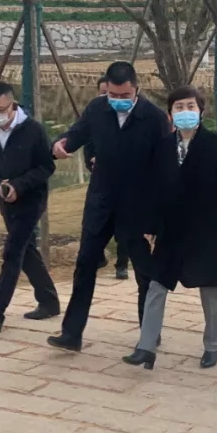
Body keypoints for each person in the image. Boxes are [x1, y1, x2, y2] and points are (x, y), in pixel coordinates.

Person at [47, 61, 169, 352]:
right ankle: (71, 334)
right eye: (113, 95)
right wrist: (60, 145)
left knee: (144, 273)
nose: (118, 100)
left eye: (124, 95)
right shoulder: (97, 109)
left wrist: (157, 219)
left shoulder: (153, 118)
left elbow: (165, 169)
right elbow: (76, 134)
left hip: (137, 208)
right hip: (101, 203)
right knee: (85, 265)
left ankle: (149, 333)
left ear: (136, 89)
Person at [124, 86, 217, 370]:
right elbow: (153, 189)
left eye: (190, 106)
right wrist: (151, 225)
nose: (185, 112)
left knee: (210, 290)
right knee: (156, 286)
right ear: (170, 114)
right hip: (171, 230)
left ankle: (212, 346)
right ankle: (146, 346)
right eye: (179, 107)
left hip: (206, 230)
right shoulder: (162, 147)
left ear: (201, 111)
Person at [0, 82, 60, 333]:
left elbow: (46, 167)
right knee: (25, 249)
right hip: (5, 200)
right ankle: (49, 301)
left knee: (12, 253)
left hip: (31, 200)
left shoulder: (33, 130)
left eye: (0, 109)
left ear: (12, 105)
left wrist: (19, 186)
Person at [88, 76, 131, 280]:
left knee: (124, 226)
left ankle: (122, 264)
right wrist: (92, 162)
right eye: (104, 93)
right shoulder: (95, 116)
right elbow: (86, 144)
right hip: (101, 182)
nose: (108, 98)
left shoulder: (132, 118)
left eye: (112, 93)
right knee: (96, 223)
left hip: (127, 184)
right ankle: (98, 257)